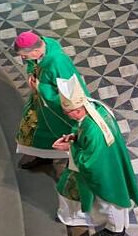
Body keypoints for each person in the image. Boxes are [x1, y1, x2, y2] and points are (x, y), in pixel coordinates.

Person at [52, 76, 138, 236]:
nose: (66, 115)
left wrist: (70, 148)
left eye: (67, 112)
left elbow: (88, 162)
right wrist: (74, 137)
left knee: (108, 200)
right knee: (115, 195)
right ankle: (118, 225)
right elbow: (85, 135)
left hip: (104, 170)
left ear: (77, 110)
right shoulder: (95, 107)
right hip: (111, 160)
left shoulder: (92, 130)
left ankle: (116, 230)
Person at [10, 31, 83, 168]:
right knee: (37, 130)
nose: (23, 58)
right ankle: (44, 157)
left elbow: (69, 93)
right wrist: (31, 73)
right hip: (40, 104)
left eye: (24, 56)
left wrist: (40, 86)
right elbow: (33, 63)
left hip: (59, 110)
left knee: (67, 136)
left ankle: (71, 165)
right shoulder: (43, 44)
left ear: (36, 51)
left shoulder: (58, 63)